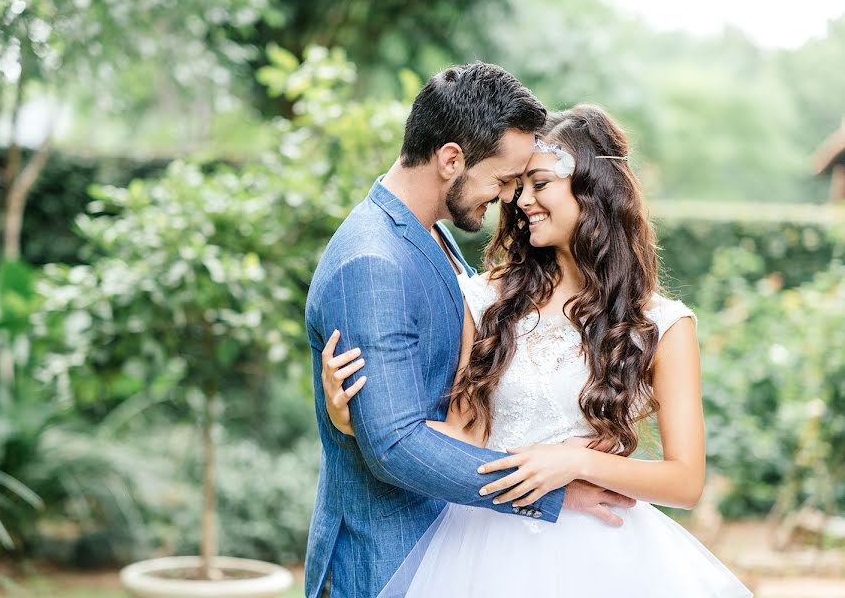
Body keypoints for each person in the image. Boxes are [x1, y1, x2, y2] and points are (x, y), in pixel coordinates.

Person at [322, 104, 754, 597]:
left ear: (593, 189)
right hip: (479, 553)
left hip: (603, 555)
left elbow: (685, 481)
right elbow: (464, 433)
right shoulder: (487, 299)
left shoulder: (662, 324)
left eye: (540, 183)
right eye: (517, 185)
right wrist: (358, 422)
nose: (522, 200)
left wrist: (576, 464)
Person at [304, 66, 634, 598]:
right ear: (451, 159)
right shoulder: (372, 261)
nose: (509, 199)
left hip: (452, 550)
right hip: (384, 556)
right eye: (503, 180)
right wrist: (553, 491)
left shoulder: (431, 234)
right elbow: (394, 446)